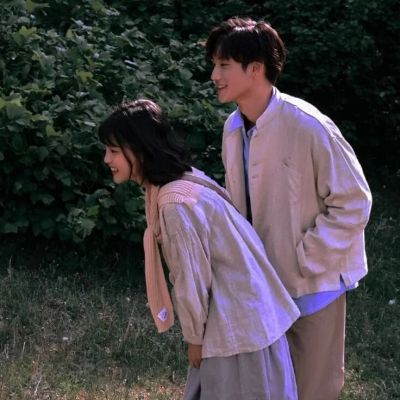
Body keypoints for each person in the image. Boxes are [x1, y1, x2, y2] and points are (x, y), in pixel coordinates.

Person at [205, 17, 372, 400]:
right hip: (262, 287)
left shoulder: (309, 125)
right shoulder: (233, 128)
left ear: (255, 69)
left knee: (314, 389)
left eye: (223, 65)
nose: (214, 75)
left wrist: (305, 257)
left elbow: (354, 201)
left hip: (313, 286)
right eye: (214, 65)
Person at [98, 99, 300, 400]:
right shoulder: (182, 181)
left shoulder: (175, 204)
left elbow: (191, 279)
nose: (106, 159)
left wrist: (195, 338)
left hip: (238, 326)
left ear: (139, 150)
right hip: (248, 311)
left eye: (114, 150)